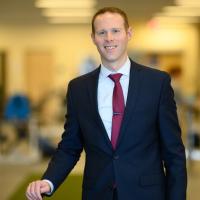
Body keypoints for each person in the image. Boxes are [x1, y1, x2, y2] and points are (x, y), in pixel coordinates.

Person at [26, 7, 187, 200]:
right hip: (97, 193)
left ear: (129, 34)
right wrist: (48, 181)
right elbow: (70, 146)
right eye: (102, 32)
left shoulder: (157, 83)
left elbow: (173, 152)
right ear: (93, 37)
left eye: (115, 31)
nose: (109, 38)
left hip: (146, 193)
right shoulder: (78, 88)